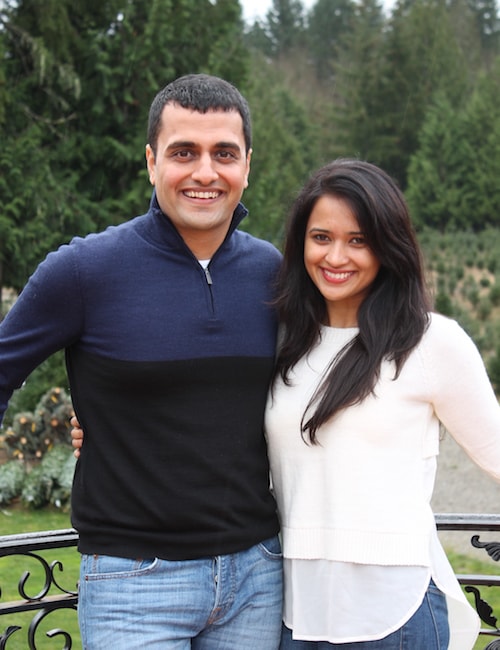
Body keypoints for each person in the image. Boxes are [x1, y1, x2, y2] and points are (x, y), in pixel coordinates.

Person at [0, 74, 284, 649]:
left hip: (258, 575)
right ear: (152, 161)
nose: (206, 171)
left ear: (246, 165)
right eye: (185, 152)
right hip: (135, 582)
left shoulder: (274, 274)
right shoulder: (83, 272)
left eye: (223, 153)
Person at [264, 158, 500, 649]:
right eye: (321, 237)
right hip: (293, 614)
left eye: (358, 240)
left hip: (397, 613)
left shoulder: (432, 342)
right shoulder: (282, 341)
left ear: (387, 247)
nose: (336, 256)